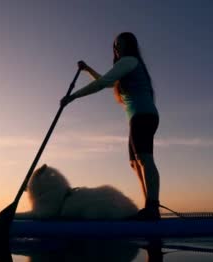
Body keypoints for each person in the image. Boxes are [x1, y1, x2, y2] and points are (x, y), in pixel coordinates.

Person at [61, 32, 161, 220]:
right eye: (114, 45)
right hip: (138, 117)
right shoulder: (124, 66)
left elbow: (102, 83)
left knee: (144, 159)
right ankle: (149, 207)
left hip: (144, 115)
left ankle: (152, 208)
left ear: (129, 46)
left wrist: (73, 96)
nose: (116, 48)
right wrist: (88, 69)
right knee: (135, 163)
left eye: (119, 44)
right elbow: (107, 82)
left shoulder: (130, 61)